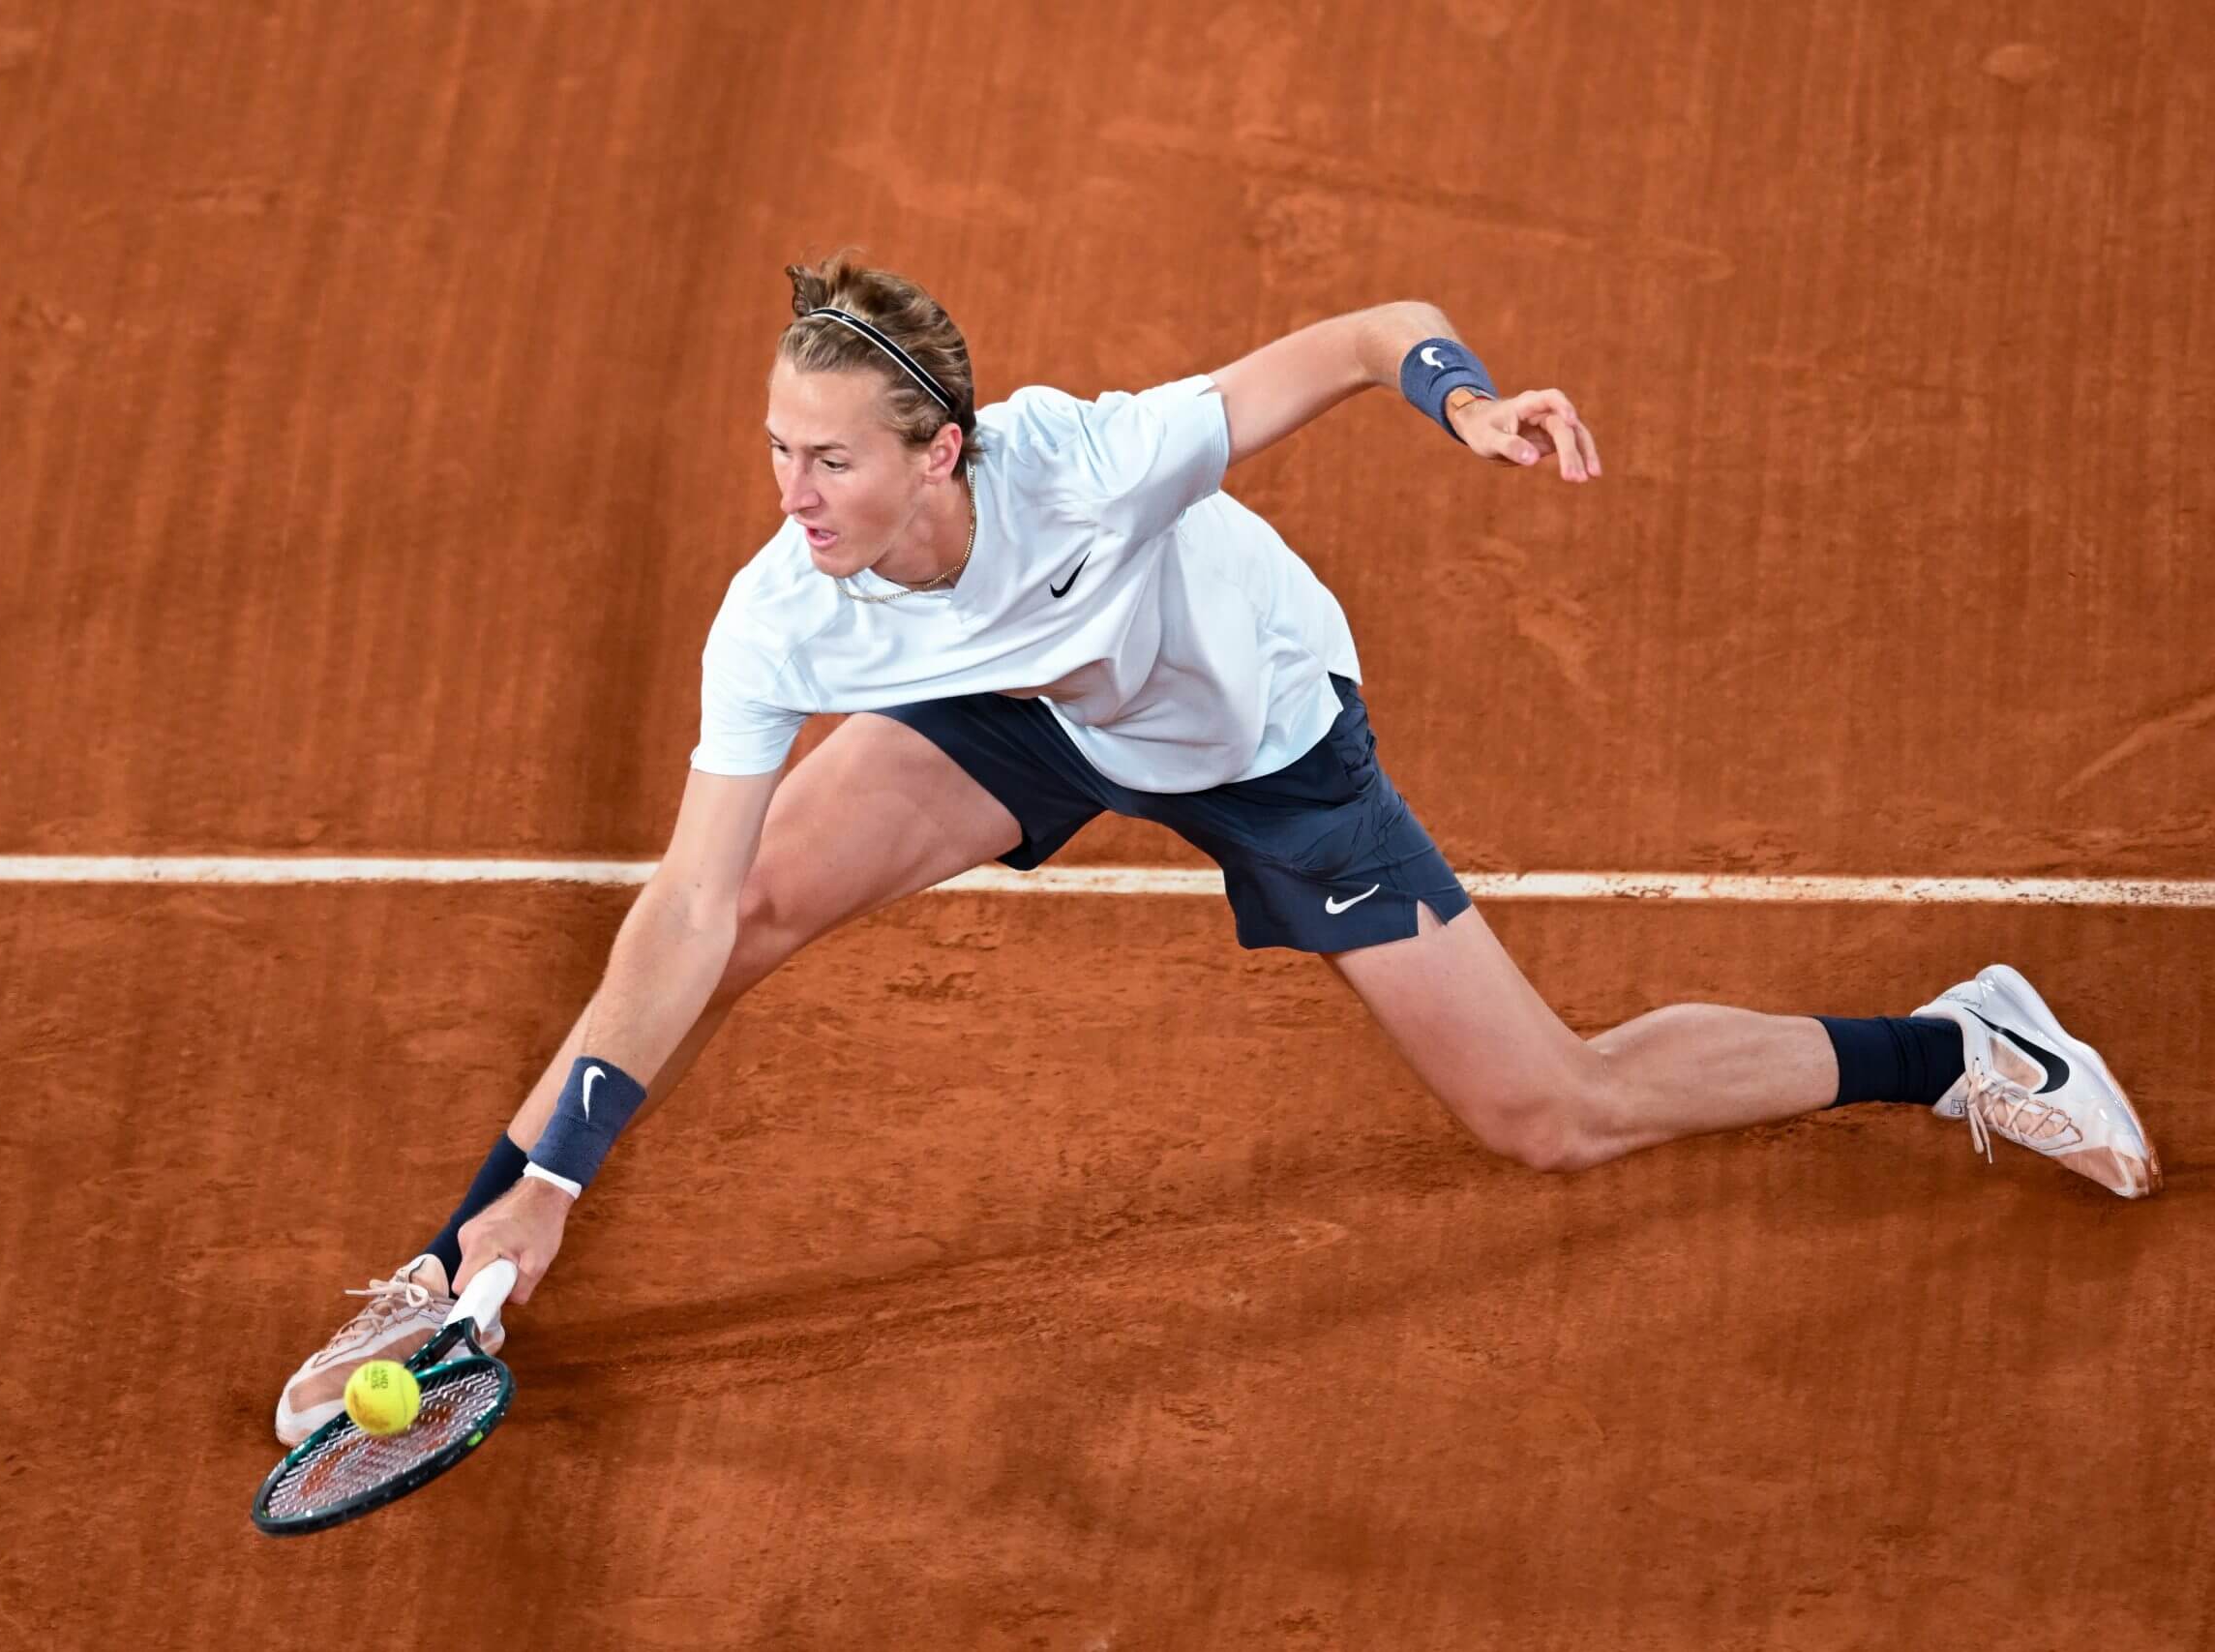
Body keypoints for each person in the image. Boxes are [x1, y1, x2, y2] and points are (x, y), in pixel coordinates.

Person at [274, 255, 2159, 1446]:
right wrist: (555, 1172)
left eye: (828, 459)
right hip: (1014, 705)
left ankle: (1966, 1039)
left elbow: (1365, 329)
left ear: (942, 447)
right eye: (776, 449)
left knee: (1549, 1108)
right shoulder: (790, 609)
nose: (790, 494)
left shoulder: (1096, 460)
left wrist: (1466, 400)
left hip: (1252, 736)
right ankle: (457, 1281)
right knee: (748, 902)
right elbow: (684, 902)